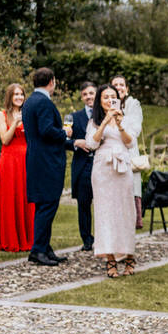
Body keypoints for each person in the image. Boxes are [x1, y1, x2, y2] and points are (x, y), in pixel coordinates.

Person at [86, 84, 137, 277]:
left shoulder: (126, 119)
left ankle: (129, 255)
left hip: (122, 167)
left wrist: (120, 124)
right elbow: (91, 143)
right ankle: (110, 258)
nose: (109, 100)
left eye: (112, 97)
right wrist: (105, 122)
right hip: (103, 169)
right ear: (100, 100)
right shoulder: (94, 121)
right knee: (105, 212)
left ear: (119, 99)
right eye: (105, 97)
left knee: (125, 212)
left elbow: (131, 142)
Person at [21, 68, 68, 266]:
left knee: (43, 204)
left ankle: (45, 247)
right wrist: (65, 132)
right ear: (51, 81)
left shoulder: (29, 102)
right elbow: (47, 130)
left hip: (35, 159)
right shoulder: (44, 102)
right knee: (48, 205)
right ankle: (38, 250)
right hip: (48, 162)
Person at [0, 83, 34, 253]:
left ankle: (28, 237)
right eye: (15, 94)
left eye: (21, 94)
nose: (19, 97)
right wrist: (16, 122)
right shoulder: (1, 115)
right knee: (10, 194)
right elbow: (5, 140)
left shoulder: (29, 113)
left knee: (26, 196)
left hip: (27, 159)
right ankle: (9, 237)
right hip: (9, 160)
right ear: (9, 97)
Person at [109, 75, 145, 229]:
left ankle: (131, 223)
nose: (119, 87)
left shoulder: (133, 104)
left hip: (129, 152)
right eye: (115, 85)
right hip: (111, 154)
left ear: (127, 88)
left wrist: (120, 119)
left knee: (131, 188)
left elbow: (135, 130)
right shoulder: (106, 104)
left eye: (121, 84)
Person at [66, 81, 97, 251]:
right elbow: (64, 140)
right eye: (85, 94)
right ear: (81, 97)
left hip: (101, 165)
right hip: (83, 166)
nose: (88, 97)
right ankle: (87, 239)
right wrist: (74, 142)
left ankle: (103, 238)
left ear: (96, 94)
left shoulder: (104, 115)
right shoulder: (73, 117)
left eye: (91, 93)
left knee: (103, 204)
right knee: (83, 205)